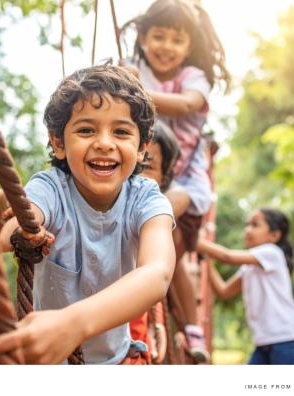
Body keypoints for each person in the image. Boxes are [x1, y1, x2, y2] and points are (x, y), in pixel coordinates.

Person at [0, 65, 176, 364]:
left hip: (114, 361)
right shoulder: (51, 187)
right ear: (59, 143)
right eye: (86, 130)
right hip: (49, 363)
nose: (103, 142)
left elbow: (158, 273)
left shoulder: (146, 198)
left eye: (121, 131)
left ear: (142, 147)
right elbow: (15, 229)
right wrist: (14, 218)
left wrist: (73, 324)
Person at [120, 0, 230, 361]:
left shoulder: (192, 76)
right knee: (169, 254)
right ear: (144, 37)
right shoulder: (132, 67)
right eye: (159, 36)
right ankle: (192, 329)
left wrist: (134, 91)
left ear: (189, 46)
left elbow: (185, 105)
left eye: (177, 40)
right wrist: (120, 78)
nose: (167, 46)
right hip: (146, 171)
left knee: (160, 217)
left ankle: (184, 325)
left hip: (184, 178)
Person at [197, 208, 294, 364]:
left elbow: (227, 256)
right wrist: (207, 261)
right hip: (264, 342)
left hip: (286, 339)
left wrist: (194, 241)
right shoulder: (248, 267)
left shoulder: (272, 252)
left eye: (255, 225)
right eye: (247, 225)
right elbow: (224, 291)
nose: (247, 229)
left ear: (274, 235)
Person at [129, 120, 181, 364]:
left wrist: (157, 321)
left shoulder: (152, 215)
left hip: (131, 345)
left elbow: (156, 271)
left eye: (146, 166)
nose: (133, 171)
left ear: (164, 178)